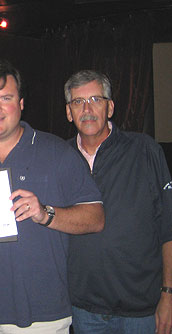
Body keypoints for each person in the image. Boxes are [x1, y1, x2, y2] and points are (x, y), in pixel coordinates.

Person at [0, 59, 105, 334]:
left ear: (20, 103)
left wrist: (46, 213)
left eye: (5, 98)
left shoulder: (57, 152)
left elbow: (96, 218)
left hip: (46, 315)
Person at [64, 70, 172, 334]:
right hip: (83, 308)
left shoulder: (145, 150)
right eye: (78, 102)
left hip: (142, 309)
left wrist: (168, 294)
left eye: (95, 100)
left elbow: (168, 228)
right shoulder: (59, 158)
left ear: (110, 107)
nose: (87, 109)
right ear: (69, 112)